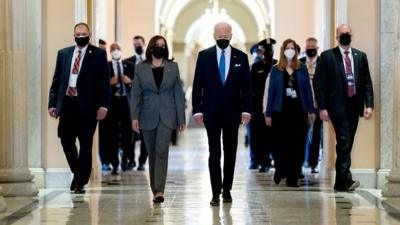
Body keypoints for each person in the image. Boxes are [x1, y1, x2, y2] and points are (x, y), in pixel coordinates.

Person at [192, 22, 252, 206]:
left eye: (226, 35)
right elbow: (197, 85)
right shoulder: (204, 56)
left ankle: (227, 189)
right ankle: (215, 192)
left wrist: (247, 110)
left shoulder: (241, 57)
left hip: (233, 112)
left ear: (231, 35)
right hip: (211, 111)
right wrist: (197, 110)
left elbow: (247, 87)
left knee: (231, 151)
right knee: (214, 152)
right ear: (214, 35)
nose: (223, 38)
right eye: (220, 35)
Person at [48, 22, 110, 194]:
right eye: (78, 34)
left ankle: (80, 181)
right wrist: (52, 103)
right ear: (73, 35)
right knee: (66, 141)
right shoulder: (64, 53)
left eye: (84, 34)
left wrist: (104, 106)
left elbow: (105, 83)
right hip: (67, 104)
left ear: (89, 34)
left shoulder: (98, 54)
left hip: (88, 107)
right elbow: (56, 81)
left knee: (85, 144)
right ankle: (79, 173)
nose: (81, 36)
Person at [315, 24, 374, 192]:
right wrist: (322, 108)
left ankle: (340, 182)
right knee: (344, 140)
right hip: (336, 106)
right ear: (336, 37)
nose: (345, 36)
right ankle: (346, 179)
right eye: (342, 34)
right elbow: (319, 84)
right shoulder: (327, 57)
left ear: (352, 34)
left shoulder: (360, 56)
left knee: (346, 143)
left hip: (355, 105)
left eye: (347, 33)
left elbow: (366, 82)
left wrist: (369, 104)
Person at [130, 35, 186, 204]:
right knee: (152, 152)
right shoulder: (141, 68)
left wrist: (181, 117)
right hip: (147, 115)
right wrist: (134, 117)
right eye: (157, 45)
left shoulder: (173, 67)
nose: (159, 47)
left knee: (162, 151)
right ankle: (155, 188)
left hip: (167, 116)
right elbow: (136, 93)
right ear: (151, 48)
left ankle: (160, 190)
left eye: (163, 45)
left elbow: (178, 93)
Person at [265, 38, 315, 187]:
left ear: (296, 51)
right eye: (287, 48)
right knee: (280, 145)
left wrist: (311, 110)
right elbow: (271, 92)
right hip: (279, 112)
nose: (290, 50)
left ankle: (293, 176)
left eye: (292, 48)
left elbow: (307, 91)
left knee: (298, 145)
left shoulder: (302, 68)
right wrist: (268, 114)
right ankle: (280, 168)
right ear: (282, 50)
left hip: (298, 112)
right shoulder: (275, 69)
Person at [248, 38, 276, 172]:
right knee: (260, 135)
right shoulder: (256, 67)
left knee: (274, 136)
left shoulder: (277, 65)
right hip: (258, 107)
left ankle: (273, 159)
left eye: (271, 48)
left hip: (275, 106)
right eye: (267, 49)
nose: (269, 51)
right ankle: (263, 160)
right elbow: (250, 89)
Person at [107, 42, 134, 175]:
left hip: (126, 102)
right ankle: (114, 163)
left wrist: (130, 81)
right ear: (109, 51)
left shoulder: (128, 66)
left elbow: (138, 83)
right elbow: (99, 83)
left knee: (127, 133)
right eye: (113, 49)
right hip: (113, 102)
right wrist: (109, 82)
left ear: (122, 50)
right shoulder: (106, 66)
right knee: (112, 134)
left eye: (118, 48)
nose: (115, 51)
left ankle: (126, 160)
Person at [125, 35, 148, 171]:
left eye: (139, 44)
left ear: (144, 44)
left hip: (147, 104)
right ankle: (131, 159)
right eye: (134, 44)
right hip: (132, 103)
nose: (137, 46)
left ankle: (142, 162)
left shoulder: (150, 62)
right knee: (130, 134)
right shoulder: (127, 62)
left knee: (145, 134)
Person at [299, 37, 322, 173]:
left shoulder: (322, 63)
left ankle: (313, 162)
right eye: (308, 47)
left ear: (317, 48)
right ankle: (301, 162)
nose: (310, 49)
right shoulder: (300, 64)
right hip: (303, 105)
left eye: (313, 46)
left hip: (318, 104)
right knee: (302, 134)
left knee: (316, 135)